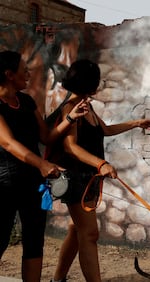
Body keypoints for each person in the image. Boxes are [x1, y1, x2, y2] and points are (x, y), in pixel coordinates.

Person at [51, 59, 150, 282]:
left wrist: (136, 123)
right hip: (76, 179)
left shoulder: (85, 105)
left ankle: (58, 278)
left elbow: (105, 130)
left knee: (76, 231)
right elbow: (70, 147)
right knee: (89, 234)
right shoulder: (70, 108)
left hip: (89, 179)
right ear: (89, 84)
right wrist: (101, 164)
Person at [0, 50, 88, 282]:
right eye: (23, 69)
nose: (28, 74)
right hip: (3, 185)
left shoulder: (27, 101)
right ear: (9, 74)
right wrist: (41, 163)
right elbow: (8, 143)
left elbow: (47, 138)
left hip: (32, 183)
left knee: (34, 241)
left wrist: (70, 119)